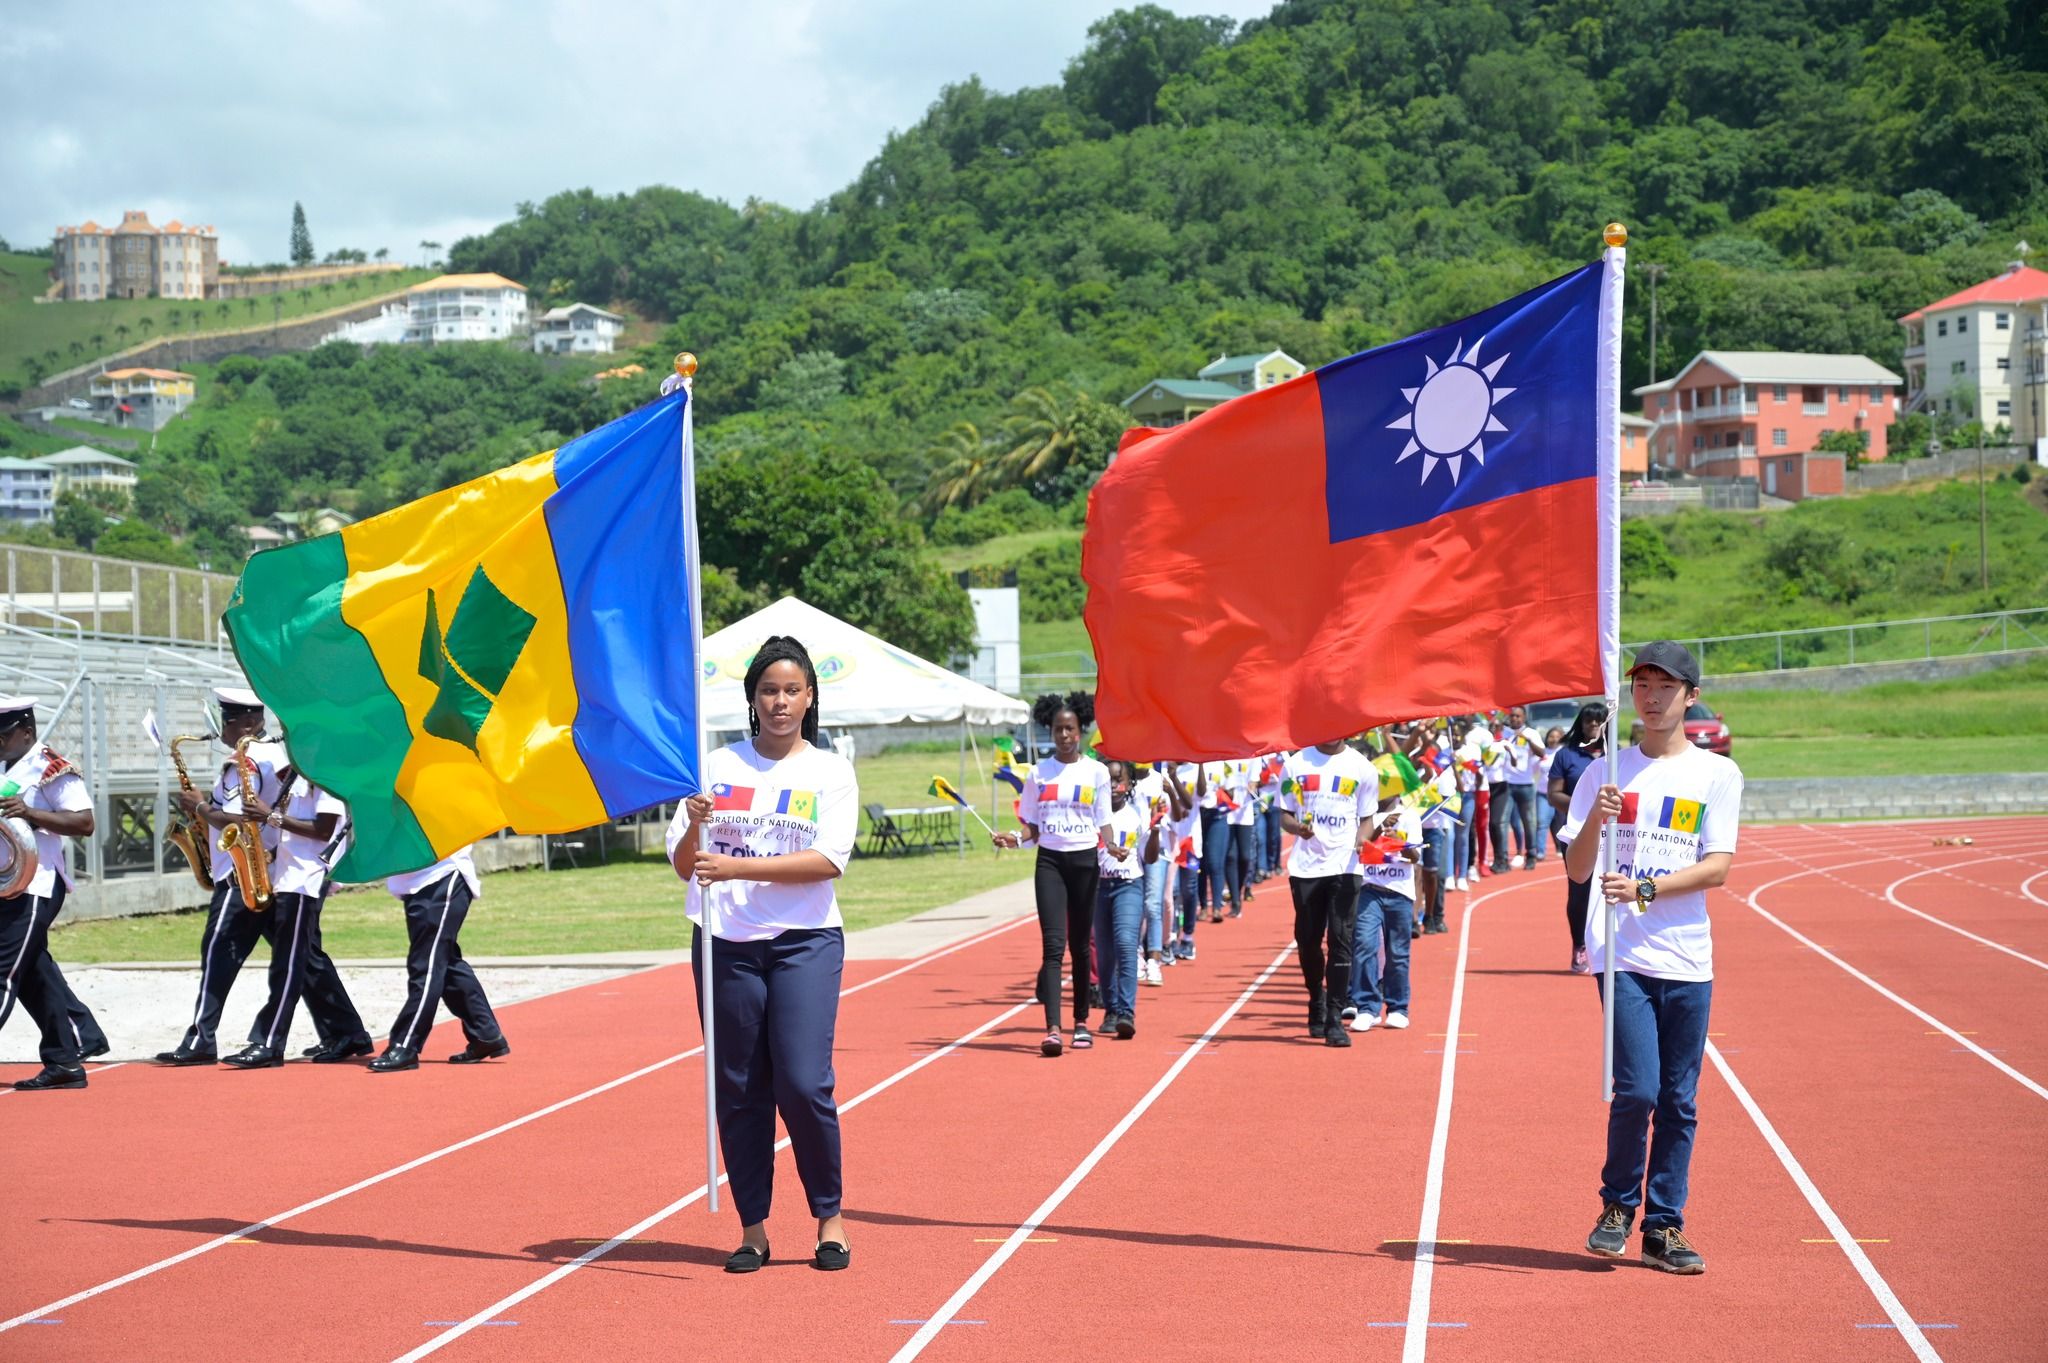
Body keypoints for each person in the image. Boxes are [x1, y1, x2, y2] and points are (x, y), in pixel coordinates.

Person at [669, 634, 858, 1274]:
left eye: (791, 690)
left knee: (804, 1083)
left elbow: (828, 861)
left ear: (809, 698)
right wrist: (696, 823)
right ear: (752, 698)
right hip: (726, 944)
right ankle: (753, 1230)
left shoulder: (830, 770)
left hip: (804, 944)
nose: (780, 701)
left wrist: (737, 865)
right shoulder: (716, 766)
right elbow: (682, 866)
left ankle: (829, 1219)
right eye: (768, 690)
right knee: (741, 1089)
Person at [1564, 642, 1741, 1275]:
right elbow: (1579, 867)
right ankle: (1617, 1206)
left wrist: (1645, 888)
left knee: (1679, 1099)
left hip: (1688, 959)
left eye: (1667, 686)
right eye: (1643, 683)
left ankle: (1665, 1227)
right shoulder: (1605, 772)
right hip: (1623, 955)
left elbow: (1717, 868)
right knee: (1635, 1089)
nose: (1653, 695)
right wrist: (1597, 820)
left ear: (1690, 697)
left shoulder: (1717, 775)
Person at [156, 688, 292, 1066]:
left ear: (249, 722)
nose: (220, 729)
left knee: (217, 952)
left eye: (226, 721)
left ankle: (201, 1038)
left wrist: (199, 807)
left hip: (242, 871)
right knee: (303, 959)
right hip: (268, 870)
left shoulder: (245, 761)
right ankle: (345, 1029)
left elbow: (235, 818)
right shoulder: (276, 754)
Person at [221, 767, 372, 1068]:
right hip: (289, 876)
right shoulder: (296, 776)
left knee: (287, 964)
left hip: (307, 879)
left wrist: (270, 816)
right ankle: (348, 1033)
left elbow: (324, 829)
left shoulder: (325, 776)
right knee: (310, 960)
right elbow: (292, 836)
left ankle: (268, 1042)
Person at [994, 693, 1112, 1056]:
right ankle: (1053, 1029)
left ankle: (1080, 1023)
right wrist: (1014, 838)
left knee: (1080, 945)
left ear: (1081, 731)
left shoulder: (1097, 772)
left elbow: (1103, 822)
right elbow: (1031, 825)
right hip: (1050, 862)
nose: (1064, 735)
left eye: (1071, 729)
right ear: (1050, 730)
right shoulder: (1038, 773)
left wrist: (1115, 846)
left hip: (1085, 862)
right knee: (1052, 946)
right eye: (1058, 729)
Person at [0, 697, 101, 1090]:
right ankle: (66, 1058)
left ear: (27, 731)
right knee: (32, 972)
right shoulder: (5, 762)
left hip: (35, 884)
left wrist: (29, 812)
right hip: (6, 882)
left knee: (4, 970)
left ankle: (70, 1051)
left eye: (4, 735)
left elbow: (84, 822)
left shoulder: (51, 768)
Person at [369, 843, 509, 1072]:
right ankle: (486, 1034)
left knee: (426, 966)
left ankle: (405, 1045)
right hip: (417, 883)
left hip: (441, 878)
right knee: (447, 964)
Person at [1279, 739, 1373, 1047]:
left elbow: (1367, 819)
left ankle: (1334, 1017)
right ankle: (1316, 997)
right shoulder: (1296, 763)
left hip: (1346, 865)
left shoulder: (1362, 767)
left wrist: (1362, 840)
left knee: (1340, 940)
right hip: (1306, 867)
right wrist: (1298, 829)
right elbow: (1286, 815)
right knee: (1307, 940)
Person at [1092, 760, 1161, 1039]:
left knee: (1125, 943)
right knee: (1106, 953)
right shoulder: (1094, 816)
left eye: (1119, 781)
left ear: (1130, 784)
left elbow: (1151, 857)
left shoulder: (1138, 815)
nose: (1114, 787)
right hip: (1099, 888)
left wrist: (1155, 831)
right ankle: (1110, 1009)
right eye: (1108, 782)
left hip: (1129, 885)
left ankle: (1126, 1012)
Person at [1349, 792, 1422, 1033]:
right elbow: (1358, 848)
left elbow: (1415, 857)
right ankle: (1367, 1008)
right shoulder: (1364, 817)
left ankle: (1398, 1008)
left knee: (1398, 952)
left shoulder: (1410, 815)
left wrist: (1400, 840)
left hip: (1400, 892)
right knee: (1365, 945)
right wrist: (1379, 828)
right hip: (1370, 889)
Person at [1549, 702, 1609, 975]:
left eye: (1599, 722)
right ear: (1581, 724)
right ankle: (1579, 945)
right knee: (1581, 886)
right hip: (1573, 829)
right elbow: (1554, 794)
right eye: (1589, 721)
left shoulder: (1615, 756)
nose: (1593, 726)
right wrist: (1586, 807)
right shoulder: (1566, 756)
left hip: (1611, 831)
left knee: (1612, 884)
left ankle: (1612, 945)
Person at [1132, 762, 1172, 986]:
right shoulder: (1127, 780)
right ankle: (1137, 955)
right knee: (1137, 904)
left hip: (1158, 847)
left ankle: (1154, 959)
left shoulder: (1159, 780)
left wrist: (1170, 792)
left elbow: (1177, 812)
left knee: (1153, 904)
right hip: (1131, 850)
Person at [1165, 762, 1204, 962]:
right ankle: (1170, 936)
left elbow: (1195, 798)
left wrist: (1175, 778)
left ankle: (1187, 937)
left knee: (1189, 890)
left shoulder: (1194, 767)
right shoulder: (1161, 767)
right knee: (1171, 893)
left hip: (1190, 842)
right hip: (1169, 841)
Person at [1499, 706, 1546, 868]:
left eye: (1518, 716)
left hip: (1526, 784)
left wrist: (1527, 739)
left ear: (1524, 717)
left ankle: (1531, 855)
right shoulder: (1504, 733)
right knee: (1504, 821)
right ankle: (1503, 858)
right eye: (1512, 716)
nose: (1515, 719)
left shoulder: (1532, 733)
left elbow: (1541, 752)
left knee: (1529, 821)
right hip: (1507, 783)